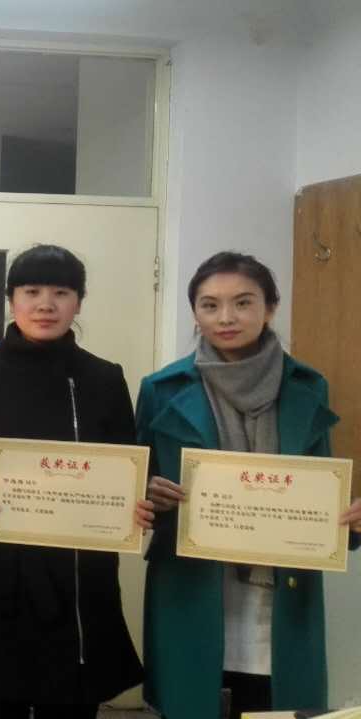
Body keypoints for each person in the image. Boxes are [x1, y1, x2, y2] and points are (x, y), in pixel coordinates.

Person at [0, 245, 155, 719]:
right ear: (11, 299)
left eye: (61, 292)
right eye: (31, 291)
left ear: (79, 301)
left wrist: (138, 498)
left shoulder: (103, 378)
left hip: (78, 572)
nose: (46, 304)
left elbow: (128, 465)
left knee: (70, 702)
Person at [137, 251, 361, 719]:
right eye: (210, 305)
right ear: (195, 313)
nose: (226, 317)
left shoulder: (308, 386)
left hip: (283, 586)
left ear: (270, 307)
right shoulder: (161, 388)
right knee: (193, 702)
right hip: (192, 585)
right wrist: (150, 497)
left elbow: (320, 486)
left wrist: (350, 522)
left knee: (276, 703)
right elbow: (136, 490)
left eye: (243, 303)